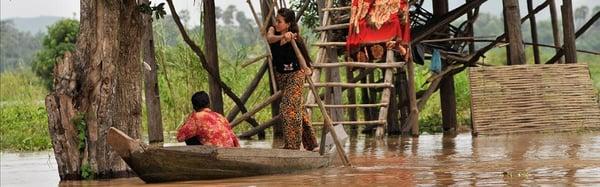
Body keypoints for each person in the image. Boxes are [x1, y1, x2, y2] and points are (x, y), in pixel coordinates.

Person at [266, 8, 319, 151]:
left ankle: (292, 146)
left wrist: (307, 68)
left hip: (296, 74)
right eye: (276, 20)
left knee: (288, 108)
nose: (276, 24)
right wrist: (282, 37)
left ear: (288, 24)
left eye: (280, 22)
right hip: (282, 76)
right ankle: (312, 144)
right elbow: (269, 39)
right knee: (298, 109)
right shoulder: (272, 31)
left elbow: (301, 56)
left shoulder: (295, 38)